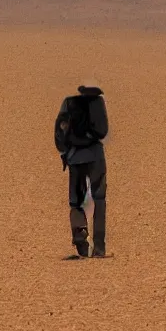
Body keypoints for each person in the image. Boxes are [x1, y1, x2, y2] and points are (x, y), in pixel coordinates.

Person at [54, 84, 109, 258]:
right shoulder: (97, 103)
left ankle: (80, 238)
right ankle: (99, 248)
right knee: (99, 200)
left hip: (75, 158)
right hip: (95, 157)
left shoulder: (68, 103)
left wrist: (65, 152)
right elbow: (103, 131)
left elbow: (58, 132)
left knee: (76, 202)